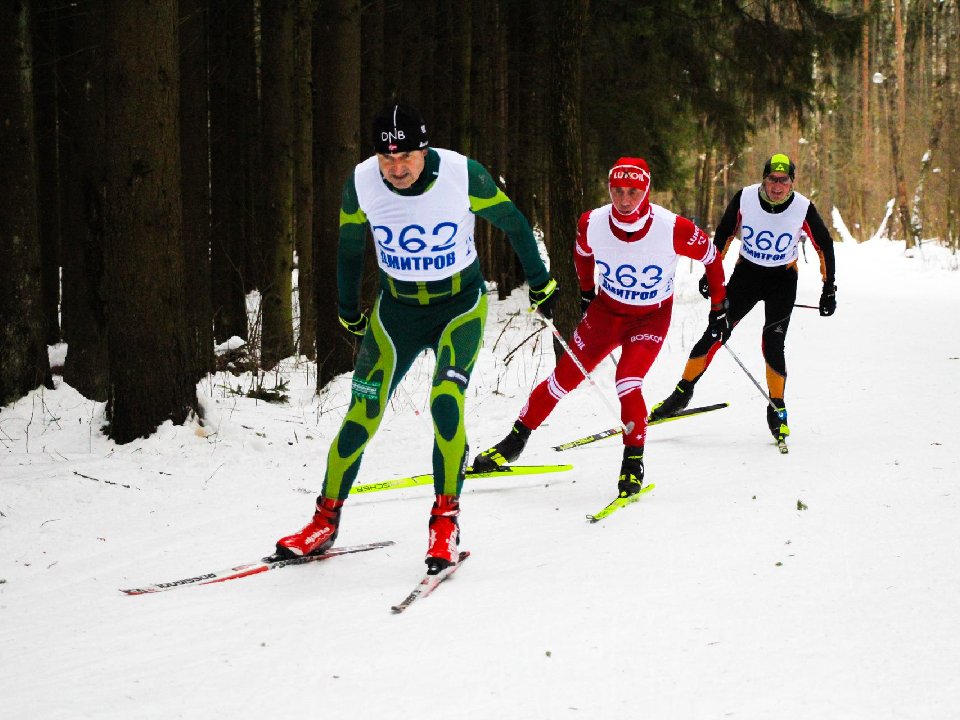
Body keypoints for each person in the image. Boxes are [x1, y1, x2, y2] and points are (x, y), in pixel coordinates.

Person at [275, 104, 557, 570]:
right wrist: (348, 310)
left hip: (458, 308)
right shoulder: (362, 181)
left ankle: (445, 523)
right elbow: (348, 248)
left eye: (406, 156)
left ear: (424, 150)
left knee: (445, 401)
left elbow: (514, 223)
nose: (397, 168)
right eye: (387, 159)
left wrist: (540, 280)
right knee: (361, 413)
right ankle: (324, 520)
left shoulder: (464, 175)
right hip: (397, 312)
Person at [472, 158, 728, 498]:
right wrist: (587, 292)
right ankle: (514, 441)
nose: (624, 201)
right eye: (617, 192)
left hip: (650, 317)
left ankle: (632, 462)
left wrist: (718, 306)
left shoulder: (672, 227)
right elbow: (582, 256)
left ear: (646, 192)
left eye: (633, 193)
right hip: (606, 313)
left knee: (627, 382)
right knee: (561, 380)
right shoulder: (592, 222)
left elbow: (711, 256)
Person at [649, 153, 837, 444]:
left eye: (783, 180)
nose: (777, 186)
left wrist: (829, 288)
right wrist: (709, 276)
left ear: (791, 183)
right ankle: (681, 393)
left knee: (773, 342)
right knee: (714, 333)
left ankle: (777, 407)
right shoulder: (746, 198)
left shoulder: (802, 207)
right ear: (764, 179)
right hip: (747, 276)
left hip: (782, 280)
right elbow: (723, 234)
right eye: (772, 179)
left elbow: (824, 244)